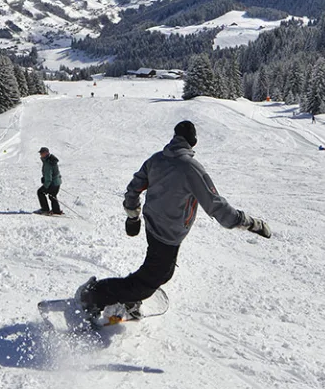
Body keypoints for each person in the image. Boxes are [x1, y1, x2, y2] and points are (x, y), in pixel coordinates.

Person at [78, 120, 271, 320]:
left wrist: (133, 217)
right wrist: (252, 223)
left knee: (163, 273)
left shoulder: (156, 159)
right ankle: (93, 294)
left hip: (156, 227)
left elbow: (134, 188)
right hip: (167, 233)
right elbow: (216, 206)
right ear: (193, 141)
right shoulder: (191, 168)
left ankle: (126, 298)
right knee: (147, 283)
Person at [37, 146, 63, 215]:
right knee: (52, 196)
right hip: (57, 182)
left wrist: (45, 186)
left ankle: (45, 210)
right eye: (40, 153)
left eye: (42, 153)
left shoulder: (48, 163)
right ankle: (56, 210)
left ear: (46, 153)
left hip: (53, 183)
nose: (41, 154)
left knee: (40, 192)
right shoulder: (51, 160)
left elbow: (49, 177)